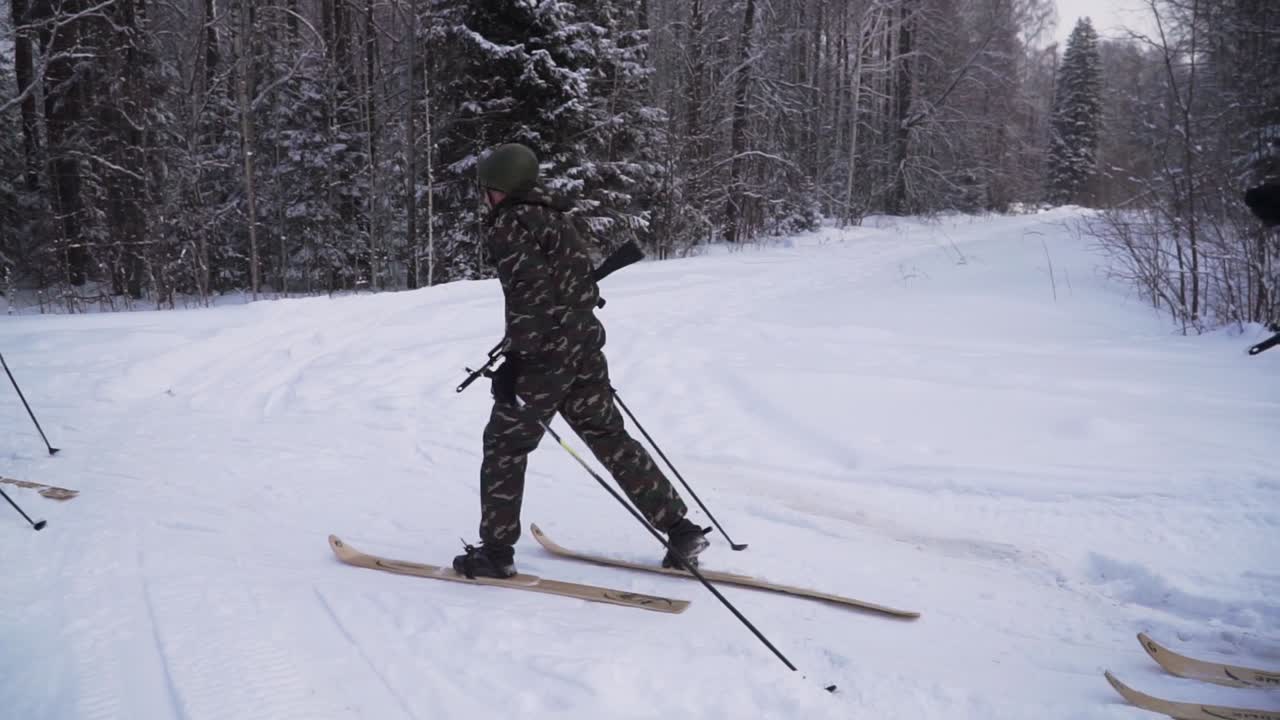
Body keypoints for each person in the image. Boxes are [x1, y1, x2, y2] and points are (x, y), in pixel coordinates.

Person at [452, 143, 710, 579]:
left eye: (489, 189)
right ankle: (679, 528)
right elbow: (574, 289)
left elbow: (529, 296)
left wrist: (517, 361)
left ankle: (495, 553)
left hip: (544, 355)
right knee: (609, 437)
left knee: (505, 445)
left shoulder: (509, 225)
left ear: (502, 189)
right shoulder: (555, 217)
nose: (486, 197)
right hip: (583, 349)